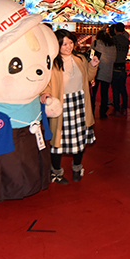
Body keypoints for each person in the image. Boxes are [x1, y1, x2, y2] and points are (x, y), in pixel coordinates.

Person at [44, 30, 99, 184]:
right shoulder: (52, 62)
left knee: (80, 139)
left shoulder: (80, 58)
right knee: (57, 140)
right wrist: (45, 94)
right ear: (57, 45)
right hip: (61, 105)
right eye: (64, 44)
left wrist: (93, 66)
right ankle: (56, 172)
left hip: (80, 102)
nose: (68, 47)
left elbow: (88, 78)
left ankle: (77, 167)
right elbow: (45, 84)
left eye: (70, 43)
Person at [91, 29, 116, 119]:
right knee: (104, 93)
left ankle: (91, 113)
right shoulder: (112, 46)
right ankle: (102, 113)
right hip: (107, 72)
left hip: (96, 71)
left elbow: (90, 56)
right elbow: (114, 58)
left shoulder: (96, 43)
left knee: (93, 93)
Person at [111, 22, 130, 116]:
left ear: (115, 30)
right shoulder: (126, 40)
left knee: (115, 90)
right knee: (123, 89)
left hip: (115, 66)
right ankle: (124, 108)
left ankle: (117, 109)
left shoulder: (113, 39)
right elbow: (127, 34)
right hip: (123, 66)